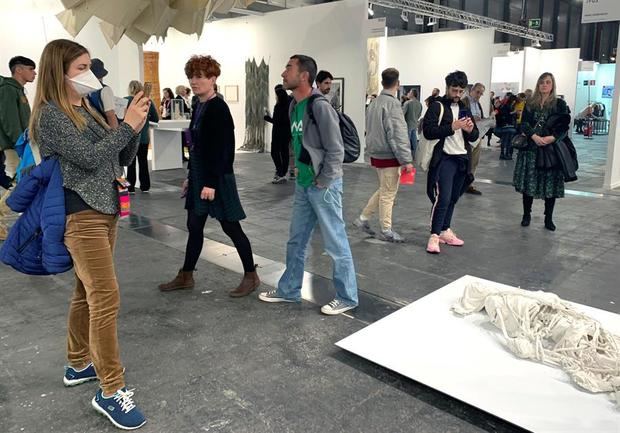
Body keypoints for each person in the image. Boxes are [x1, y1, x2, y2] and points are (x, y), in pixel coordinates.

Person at [32, 39, 149, 429]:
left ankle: (78, 362)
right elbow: (89, 158)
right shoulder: (51, 116)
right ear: (59, 71)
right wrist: (126, 126)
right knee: (105, 296)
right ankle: (111, 390)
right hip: (79, 216)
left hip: (105, 209)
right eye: (82, 67)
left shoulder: (88, 108)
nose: (91, 75)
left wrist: (133, 130)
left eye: (89, 66)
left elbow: (117, 160)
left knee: (87, 293)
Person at [258, 54, 358, 316]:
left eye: (288, 68)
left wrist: (324, 180)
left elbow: (335, 150)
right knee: (296, 241)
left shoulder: (320, 106)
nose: (283, 73)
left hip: (324, 186)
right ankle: (289, 290)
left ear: (304, 75)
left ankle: (348, 296)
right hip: (304, 185)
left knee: (335, 243)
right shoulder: (293, 105)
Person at [158, 55, 260, 298]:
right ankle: (186, 275)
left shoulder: (218, 108)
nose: (194, 81)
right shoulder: (199, 105)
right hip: (200, 176)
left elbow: (224, 151)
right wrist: (191, 176)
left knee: (231, 227)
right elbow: (196, 147)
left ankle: (251, 275)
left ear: (213, 79)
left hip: (217, 178)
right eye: (192, 76)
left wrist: (210, 183)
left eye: (200, 77)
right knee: (194, 225)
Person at [353, 67, 413, 242]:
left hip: (377, 155)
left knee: (384, 189)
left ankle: (363, 219)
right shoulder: (393, 104)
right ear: (398, 83)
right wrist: (406, 160)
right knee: (388, 194)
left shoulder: (374, 103)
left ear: (382, 82)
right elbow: (397, 134)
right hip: (389, 156)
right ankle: (386, 230)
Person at [422, 70, 479, 254]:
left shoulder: (464, 107)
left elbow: (475, 136)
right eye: (454, 90)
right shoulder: (437, 106)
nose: (457, 94)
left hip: (462, 158)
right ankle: (434, 235)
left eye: (460, 91)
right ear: (447, 88)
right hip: (444, 158)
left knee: (454, 197)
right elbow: (428, 131)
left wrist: (470, 130)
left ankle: (445, 230)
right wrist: (451, 127)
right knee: (443, 197)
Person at [513, 72, 569, 231]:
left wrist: (552, 138)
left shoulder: (559, 104)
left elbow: (564, 127)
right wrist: (534, 136)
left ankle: (549, 218)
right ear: (538, 85)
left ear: (552, 85)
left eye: (548, 82)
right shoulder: (530, 103)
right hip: (531, 149)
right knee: (528, 184)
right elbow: (523, 124)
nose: (544, 85)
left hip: (550, 151)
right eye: (542, 82)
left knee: (550, 185)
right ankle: (526, 215)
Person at [0, 56, 36, 240]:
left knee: (20, 181)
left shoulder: (18, 90)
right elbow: (8, 119)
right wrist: (19, 143)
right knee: (18, 182)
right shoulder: (8, 90)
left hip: (21, 144)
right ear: (19, 69)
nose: (34, 73)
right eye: (31, 69)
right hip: (15, 145)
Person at [125, 80, 159, 193]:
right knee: (143, 161)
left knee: (131, 163)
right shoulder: (147, 101)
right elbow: (155, 118)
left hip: (130, 136)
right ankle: (145, 186)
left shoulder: (125, 100)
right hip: (144, 137)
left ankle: (130, 186)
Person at [264, 84, 292, 184]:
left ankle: (280, 173)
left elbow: (276, 121)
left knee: (274, 152)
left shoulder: (279, 106)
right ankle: (283, 173)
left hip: (278, 133)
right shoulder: (290, 103)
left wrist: (267, 117)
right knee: (284, 152)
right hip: (287, 132)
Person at [462, 83, 485, 195]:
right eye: (478, 92)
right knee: (466, 161)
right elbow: (460, 118)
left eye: (481, 93)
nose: (479, 95)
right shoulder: (464, 102)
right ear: (472, 90)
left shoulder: (478, 104)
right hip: (467, 137)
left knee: (474, 162)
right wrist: (472, 119)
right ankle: (462, 183)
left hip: (477, 136)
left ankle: (469, 183)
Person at [87, 58, 118, 128]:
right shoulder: (105, 90)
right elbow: (110, 115)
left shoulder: (86, 91)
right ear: (102, 75)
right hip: (105, 127)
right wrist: (116, 134)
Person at [495, 93, 517, 160]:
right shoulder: (507, 106)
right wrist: (514, 112)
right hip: (506, 126)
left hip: (504, 126)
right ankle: (505, 154)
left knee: (505, 140)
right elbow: (506, 115)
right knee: (507, 141)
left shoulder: (504, 105)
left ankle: (503, 154)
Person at [402, 89, 422, 157]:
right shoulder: (419, 104)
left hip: (407, 124)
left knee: (406, 141)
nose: (408, 93)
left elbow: (402, 114)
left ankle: (406, 156)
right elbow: (419, 115)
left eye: (409, 92)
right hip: (414, 124)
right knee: (414, 141)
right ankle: (416, 155)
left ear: (412, 94)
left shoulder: (407, 103)